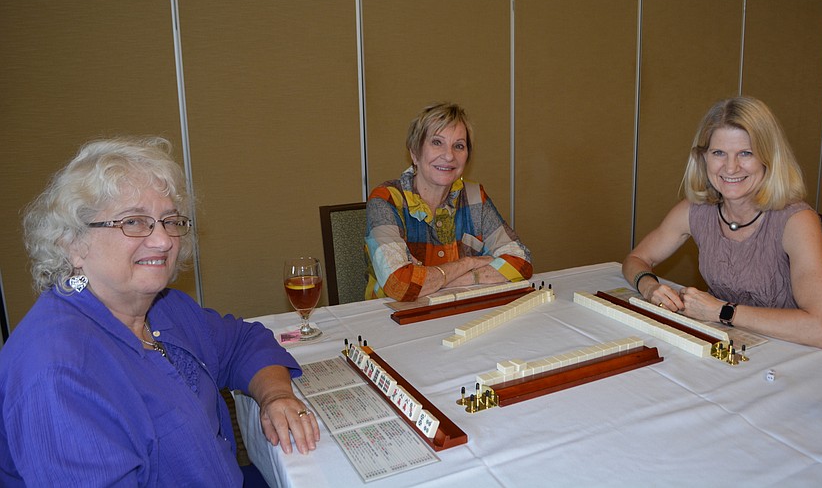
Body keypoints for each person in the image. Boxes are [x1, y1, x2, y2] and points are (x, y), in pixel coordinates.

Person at [0, 137, 320, 486]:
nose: (163, 240)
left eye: (169, 221)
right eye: (134, 222)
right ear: (73, 244)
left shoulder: (163, 307)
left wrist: (276, 395)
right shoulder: (59, 375)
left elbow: (244, 342)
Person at [623, 96, 822, 349]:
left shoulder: (797, 221)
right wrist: (650, 287)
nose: (731, 167)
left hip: (791, 354)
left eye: (745, 153)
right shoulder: (695, 210)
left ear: (768, 159)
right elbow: (635, 259)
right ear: (703, 158)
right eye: (718, 153)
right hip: (736, 347)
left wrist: (722, 312)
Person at [365, 102, 533, 300]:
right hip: (392, 319)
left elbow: (521, 262)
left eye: (459, 146)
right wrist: (469, 263)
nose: (449, 155)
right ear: (414, 153)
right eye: (437, 142)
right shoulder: (385, 200)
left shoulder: (474, 197)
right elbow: (400, 285)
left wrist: (441, 281)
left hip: (458, 311)